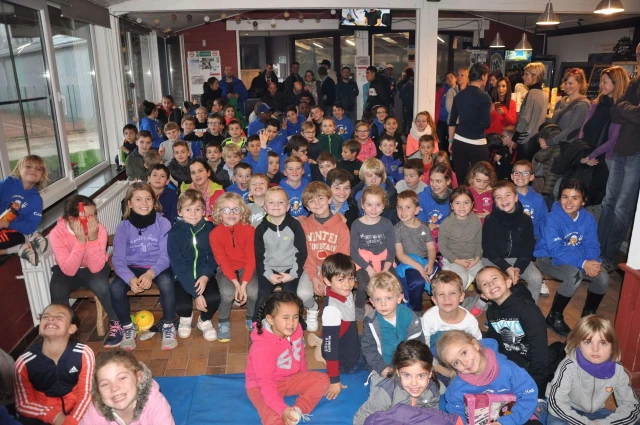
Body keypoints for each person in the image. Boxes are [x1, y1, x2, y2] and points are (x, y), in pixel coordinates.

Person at [534, 179, 609, 337]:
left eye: (575, 198)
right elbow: (556, 249)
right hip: (548, 258)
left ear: (584, 201)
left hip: (577, 258)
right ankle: (554, 317)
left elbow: (592, 244)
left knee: (602, 277)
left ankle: (589, 315)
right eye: (565, 197)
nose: (569, 202)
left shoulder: (588, 218)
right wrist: (583, 263)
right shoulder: (551, 218)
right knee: (574, 276)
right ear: (559, 198)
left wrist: (592, 262)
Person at [246, 292, 330, 425]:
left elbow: (300, 355)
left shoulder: (297, 330)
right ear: (270, 319)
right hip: (261, 386)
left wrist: (304, 378)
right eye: (285, 318)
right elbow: (265, 383)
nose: (291, 323)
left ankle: (297, 411)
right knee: (272, 418)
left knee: (323, 380)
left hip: (289, 379)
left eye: (295, 317)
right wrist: (282, 410)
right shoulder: (262, 347)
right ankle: (285, 414)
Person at [49, 195, 121, 348]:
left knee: (101, 285)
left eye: (94, 214)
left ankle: (116, 322)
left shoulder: (99, 230)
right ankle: (63, 332)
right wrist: (81, 242)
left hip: (95, 266)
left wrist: (92, 239)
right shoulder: (57, 233)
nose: (94, 220)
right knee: (57, 287)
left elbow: (96, 267)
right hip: (68, 267)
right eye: (88, 216)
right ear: (72, 219)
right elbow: (69, 270)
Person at [110, 182, 175, 351]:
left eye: (148, 199)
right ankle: (127, 327)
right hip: (132, 267)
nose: (144, 203)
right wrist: (130, 279)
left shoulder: (163, 223)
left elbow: (166, 256)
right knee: (115, 288)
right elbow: (118, 259)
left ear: (154, 201)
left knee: (167, 283)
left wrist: (151, 274)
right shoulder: (123, 227)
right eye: (138, 199)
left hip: (157, 266)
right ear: (129, 203)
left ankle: (168, 324)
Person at [546, 315, 640, 425]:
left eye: (603, 343)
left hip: (598, 413)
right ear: (579, 344)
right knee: (555, 423)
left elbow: (631, 405)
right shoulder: (569, 366)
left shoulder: (617, 370)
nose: (595, 349)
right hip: (569, 410)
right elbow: (556, 402)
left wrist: (602, 423)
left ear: (612, 346)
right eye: (588, 342)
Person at [14, 303, 94, 425]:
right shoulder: (24, 362)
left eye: (59, 316)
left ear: (72, 328)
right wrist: (55, 417)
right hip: (41, 414)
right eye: (45, 317)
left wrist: (71, 422)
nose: (50, 319)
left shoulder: (83, 354)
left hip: (76, 411)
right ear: (40, 328)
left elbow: (86, 396)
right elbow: (23, 404)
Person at [438, 330, 540, 425]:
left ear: (475, 345)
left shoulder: (508, 369)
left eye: (464, 353)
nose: (464, 363)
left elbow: (528, 395)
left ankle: (538, 408)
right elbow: (456, 413)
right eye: (456, 362)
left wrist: (506, 422)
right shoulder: (456, 389)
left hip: (515, 416)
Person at [476, 266, 549, 397]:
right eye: (485, 284)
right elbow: (495, 339)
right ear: (484, 295)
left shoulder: (528, 310)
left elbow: (540, 351)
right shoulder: (492, 311)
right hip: (510, 362)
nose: (491, 284)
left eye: (494, 278)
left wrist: (534, 383)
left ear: (508, 282)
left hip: (531, 364)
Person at [598, 45, 639, 271]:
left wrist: (625, 109)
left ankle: (608, 256)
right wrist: (629, 110)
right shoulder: (635, 82)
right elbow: (616, 113)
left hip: (636, 154)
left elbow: (631, 113)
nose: (639, 58)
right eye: (638, 54)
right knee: (608, 203)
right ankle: (596, 251)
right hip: (621, 151)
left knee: (622, 209)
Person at [567, 66, 629, 208]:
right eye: (601, 81)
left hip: (605, 159)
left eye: (605, 81)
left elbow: (614, 139)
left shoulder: (620, 108)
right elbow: (584, 128)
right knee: (577, 193)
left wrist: (592, 155)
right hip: (587, 154)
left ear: (616, 82)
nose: (601, 85)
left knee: (596, 200)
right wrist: (584, 152)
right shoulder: (596, 103)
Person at [297, 183, 350, 333]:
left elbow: (342, 255)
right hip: (312, 266)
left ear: (329, 199)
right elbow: (306, 254)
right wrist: (314, 278)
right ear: (307, 207)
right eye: (311, 201)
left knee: (337, 294)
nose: (317, 203)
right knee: (302, 294)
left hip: (335, 268)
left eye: (320, 198)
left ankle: (336, 318)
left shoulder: (341, 225)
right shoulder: (305, 226)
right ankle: (312, 308)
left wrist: (323, 277)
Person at [168, 190, 220, 342]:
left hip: (204, 273)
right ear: (180, 212)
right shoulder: (174, 233)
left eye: (198, 209)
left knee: (214, 298)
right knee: (181, 306)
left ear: (204, 211)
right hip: (183, 276)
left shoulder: (209, 228)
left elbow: (213, 255)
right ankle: (185, 318)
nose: (193, 214)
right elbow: (178, 264)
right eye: (188, 209)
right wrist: (196, 294)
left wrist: (205, 276)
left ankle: (204, 320)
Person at [534, 68, 590, 204]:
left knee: (557, 188)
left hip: (567, 151)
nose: (567, 86)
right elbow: (551, 125)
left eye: (571, 83)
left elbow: (573, 130)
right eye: (566, 82)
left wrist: (550, 141)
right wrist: (541, 137)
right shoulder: (561, 101)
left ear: (580, 84)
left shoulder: (583, 104)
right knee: (548, 184)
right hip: (554, 150)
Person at [354, 340, 442, 425]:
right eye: (407, 375)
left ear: (430, 374)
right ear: (398, 372)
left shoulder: (432, 390)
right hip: (386, 418)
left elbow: (432, 416)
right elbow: (362, 417)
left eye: (421, 375)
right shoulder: (385, 394)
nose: (414, 383)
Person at [252, 187, 308, 323]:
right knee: (263, 295)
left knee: (290, 296)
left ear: (288, 207)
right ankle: (257, 324)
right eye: (271, 202)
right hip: (268, 269)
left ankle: (297, 323)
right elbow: (259, 256)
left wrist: (292, 274)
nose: (276, 205)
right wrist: (268, 274)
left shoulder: (294, 225)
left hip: (290, 268)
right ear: (265, 207)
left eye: (281, 202)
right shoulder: (261, 229)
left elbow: (301, 252)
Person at [482, 181, 543, 302]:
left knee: (536, 278)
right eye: (498, 197)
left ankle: (531, 308)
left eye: (507, 195)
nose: (503, 200)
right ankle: (493, 306)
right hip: (494, 260)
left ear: (515, 197)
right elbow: (489, 250)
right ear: (495, 202)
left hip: (518, 260)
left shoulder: (525, 220)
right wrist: (507, 268)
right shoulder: (490, 220)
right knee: (494, 281)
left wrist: (518, 268)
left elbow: (528, 247)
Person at [209, 193, 258, 341]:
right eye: (226, 210)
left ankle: (251, 317)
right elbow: (223, 262)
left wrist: (243, 285)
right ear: (219, 213)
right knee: (227, 293)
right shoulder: (215, 234)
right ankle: (223, 322)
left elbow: (251, 259)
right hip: (225, 269)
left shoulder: (249, 230)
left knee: (254, 291)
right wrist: (236, 284)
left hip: (246, 267)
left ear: (242, 212)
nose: (231, 214)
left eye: (236, 210)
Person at [80, 351, 175, 425]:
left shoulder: (154, 405)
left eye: (122, 378)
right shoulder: (96, 411)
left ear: (138, 377)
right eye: (105, 384)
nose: (114, 388)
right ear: (98, 390)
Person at [422, 271, 482, 385]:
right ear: (434, 299)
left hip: (461, 355)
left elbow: (479, 343)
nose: (447, 299)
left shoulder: (469, 320)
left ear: (462, 296)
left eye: (452, 293)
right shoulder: (429, 317)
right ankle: (444, 376)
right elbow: (424, 345)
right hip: (437, 354)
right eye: (441, 294)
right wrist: (438, 367)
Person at [361, 271, 425, 376]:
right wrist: (382, 368)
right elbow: (368, 348)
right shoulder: (371, 321)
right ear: (372, 302)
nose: (383, 304)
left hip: (408, 364)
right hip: (381, 365)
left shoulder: (409, 315)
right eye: (378, 299)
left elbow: (418, 344)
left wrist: (411, 365)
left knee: (421, 383)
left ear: (399, 298)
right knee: (381, 386)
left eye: (388, 298)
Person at [318, 253, 363, 400]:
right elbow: (331, 349)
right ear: (327, 281)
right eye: (341, 279)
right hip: (348, 362)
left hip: (349, 341)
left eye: (351, 278)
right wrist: (334, 380)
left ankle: (321, 344)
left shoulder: (344, 292)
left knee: (371, 337)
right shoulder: (332, 310)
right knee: (380, 356)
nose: (347, 284)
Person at [351, 186, 397, 320]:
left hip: (384, 260)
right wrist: (369, 269)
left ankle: (389, 306)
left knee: (393, 284)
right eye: (369, 204)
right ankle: (359, 305)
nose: (373, 209)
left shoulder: (387, 223)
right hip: (363, 262)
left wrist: (386, 269)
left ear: (383, 206)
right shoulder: (356, 224)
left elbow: (391, 249)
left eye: (378, 205)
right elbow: (353, 252)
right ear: (362, 205)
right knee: (364, 286)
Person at [0, 155, 48, 266]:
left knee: (18, 237)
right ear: (19, 170)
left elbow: (30, 227)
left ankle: (19, 246)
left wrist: (6, 224)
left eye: (38, 169)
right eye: (29, 166)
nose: (33, 170)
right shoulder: (7, 184)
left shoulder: (36, 200)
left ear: (42, 177)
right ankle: (19, 248)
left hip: (12, 231)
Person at [394, 190, 437, 311]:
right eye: (400, 207)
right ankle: (415, 309)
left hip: (425, 260)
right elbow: (400, 255)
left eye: (408, 207)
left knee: (441, 280)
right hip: (407, 262)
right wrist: (419, 267)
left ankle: (441, 308)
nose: (403, 211)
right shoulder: (397, 229)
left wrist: (430, 263)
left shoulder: (424, 227)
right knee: (417, 282)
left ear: (417, 210)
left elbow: (431, 248)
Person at [448, 63, 491, 181]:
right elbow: (486, 123)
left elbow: (452, 122)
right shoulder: (484, 97)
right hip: (477, 142)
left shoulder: (459, 96)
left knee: (461, 178)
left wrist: (451, 141)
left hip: (459, 141)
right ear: (483, 76)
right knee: (482, 177)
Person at [438, 185, 483, 290]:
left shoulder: (476, 220)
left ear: (472, 205)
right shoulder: (446, 224)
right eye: (457, 203)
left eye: (466, 203)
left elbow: (479, 242)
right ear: (451, 205)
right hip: (453, 260)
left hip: (473, 259)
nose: (462, 207)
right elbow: (442, 247)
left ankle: (480, 300)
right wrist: (458, 261)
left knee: (484, 278)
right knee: (461, 280)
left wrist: (476, 259)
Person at [510, 62, 550, 161]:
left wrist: (514, 138)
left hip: (526, 139)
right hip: (536, 139)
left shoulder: (531, 93)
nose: (523, 77)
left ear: (535, 76)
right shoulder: (544, 95)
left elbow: (524, 119)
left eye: (526, 74)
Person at [417, 163, 453, 249]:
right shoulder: (421, 197)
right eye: (431, 180)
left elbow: (456, 223)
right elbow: (417, 222)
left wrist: (440, 227)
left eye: (438, 181)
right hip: (425, 238)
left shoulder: (455, 199)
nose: (434, 184)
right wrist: (427, 226)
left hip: (447, 237)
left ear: (448, 181)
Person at [511, 160, 547, 241]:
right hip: (512, 238)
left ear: (531, 177)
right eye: (517, 173)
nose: (520, 176)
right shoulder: (508, 197)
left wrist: (534, 234)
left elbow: (543, 220)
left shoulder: (538, 199)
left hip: (532, 238)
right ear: (512, 176)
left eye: (525, 173)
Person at [435, 72, 455, 152]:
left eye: (451, 77)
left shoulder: (459, 91)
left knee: (450, 143)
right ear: (445, 81)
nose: (450, 79)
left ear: (455, 78)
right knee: (440, 142)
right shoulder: (441, 91)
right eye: (447, 78)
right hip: (441, 120)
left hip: (452, 122)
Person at [397, 67, 415, 135]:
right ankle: (407, 133)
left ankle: (405, 133)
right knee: (408, 119)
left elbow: (401, 91)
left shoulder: (409, 82)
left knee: (406, 120)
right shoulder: (411, 81)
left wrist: (403, 79)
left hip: (407, 103)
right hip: (410, 102)